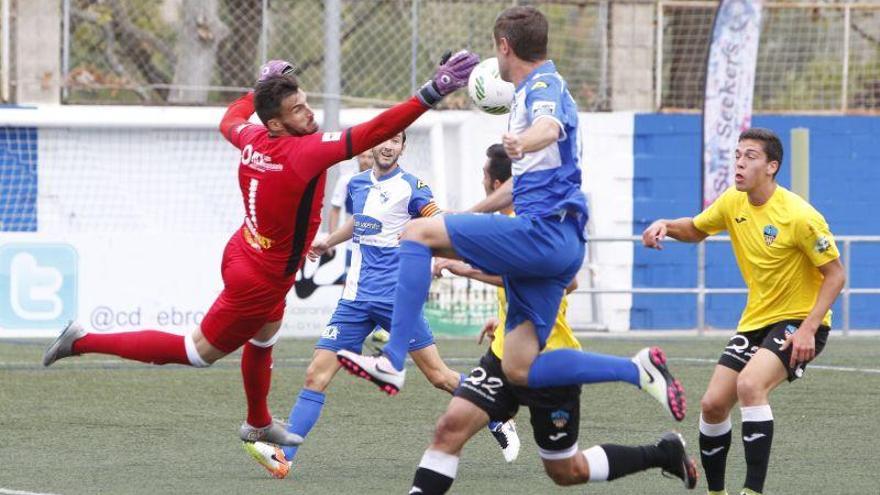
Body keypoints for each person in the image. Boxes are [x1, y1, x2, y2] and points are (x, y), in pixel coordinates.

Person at [41, 51, 480, 446]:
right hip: (261, 278)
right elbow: (373, 131)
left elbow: (229, 118)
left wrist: (260, 88)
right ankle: (83, 340)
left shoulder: (251, 138)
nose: (309, 113)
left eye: (306, 103)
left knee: (265, 335)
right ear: (276, 123)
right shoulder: (302, 153)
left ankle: (257, 421)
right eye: (297, 109)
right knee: (197, 352)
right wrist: (431, 91)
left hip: (244, 249)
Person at [336, 6, 687, 426]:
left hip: (541, 233)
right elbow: (518, 185)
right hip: (559, 240)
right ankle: (638, 370)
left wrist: (522, 141)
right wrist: (467, 216)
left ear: (504, 47)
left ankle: (393, 359)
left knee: (414, 234)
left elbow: (548, 127)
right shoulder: (536, 87)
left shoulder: (542, 84)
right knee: (519, 368)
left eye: (495, 49)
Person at [407, 143, 698, 494]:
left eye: (485, 175)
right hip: (505, 353)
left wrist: (467, 269)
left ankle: (663, 453)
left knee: (565, 470)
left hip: (551, 359)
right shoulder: (505, 225)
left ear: (498, 183)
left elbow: (565, 281)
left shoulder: (526, 225)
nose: (483, 181)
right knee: (448, 430)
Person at [243, 133, 519, 479]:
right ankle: (286, 456)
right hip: (355, 300)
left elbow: (437, 219)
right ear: (373, 146)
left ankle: (497, 412)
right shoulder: (357, 184)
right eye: (384, 140)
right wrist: (330, 239)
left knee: (438, 376)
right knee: (317, 374)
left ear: (403, 148)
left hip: (396, 299)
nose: (388, 146)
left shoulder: (412, 186)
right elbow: (361, 220)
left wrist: (459, 241)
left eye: (396, 142)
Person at [641, 128, 846, 495]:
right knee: (713, 404)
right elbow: (697, 228)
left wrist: (808, 330)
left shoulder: (800, 216)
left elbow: (836, 274)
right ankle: (715, 492)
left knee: (750, 385)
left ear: (771, 167)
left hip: (800, 321)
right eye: (737, 154)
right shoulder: (733, 202)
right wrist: (665, 226)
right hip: (756, 320)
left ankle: (752, 491)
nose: (739, 162)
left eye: (750, 156)